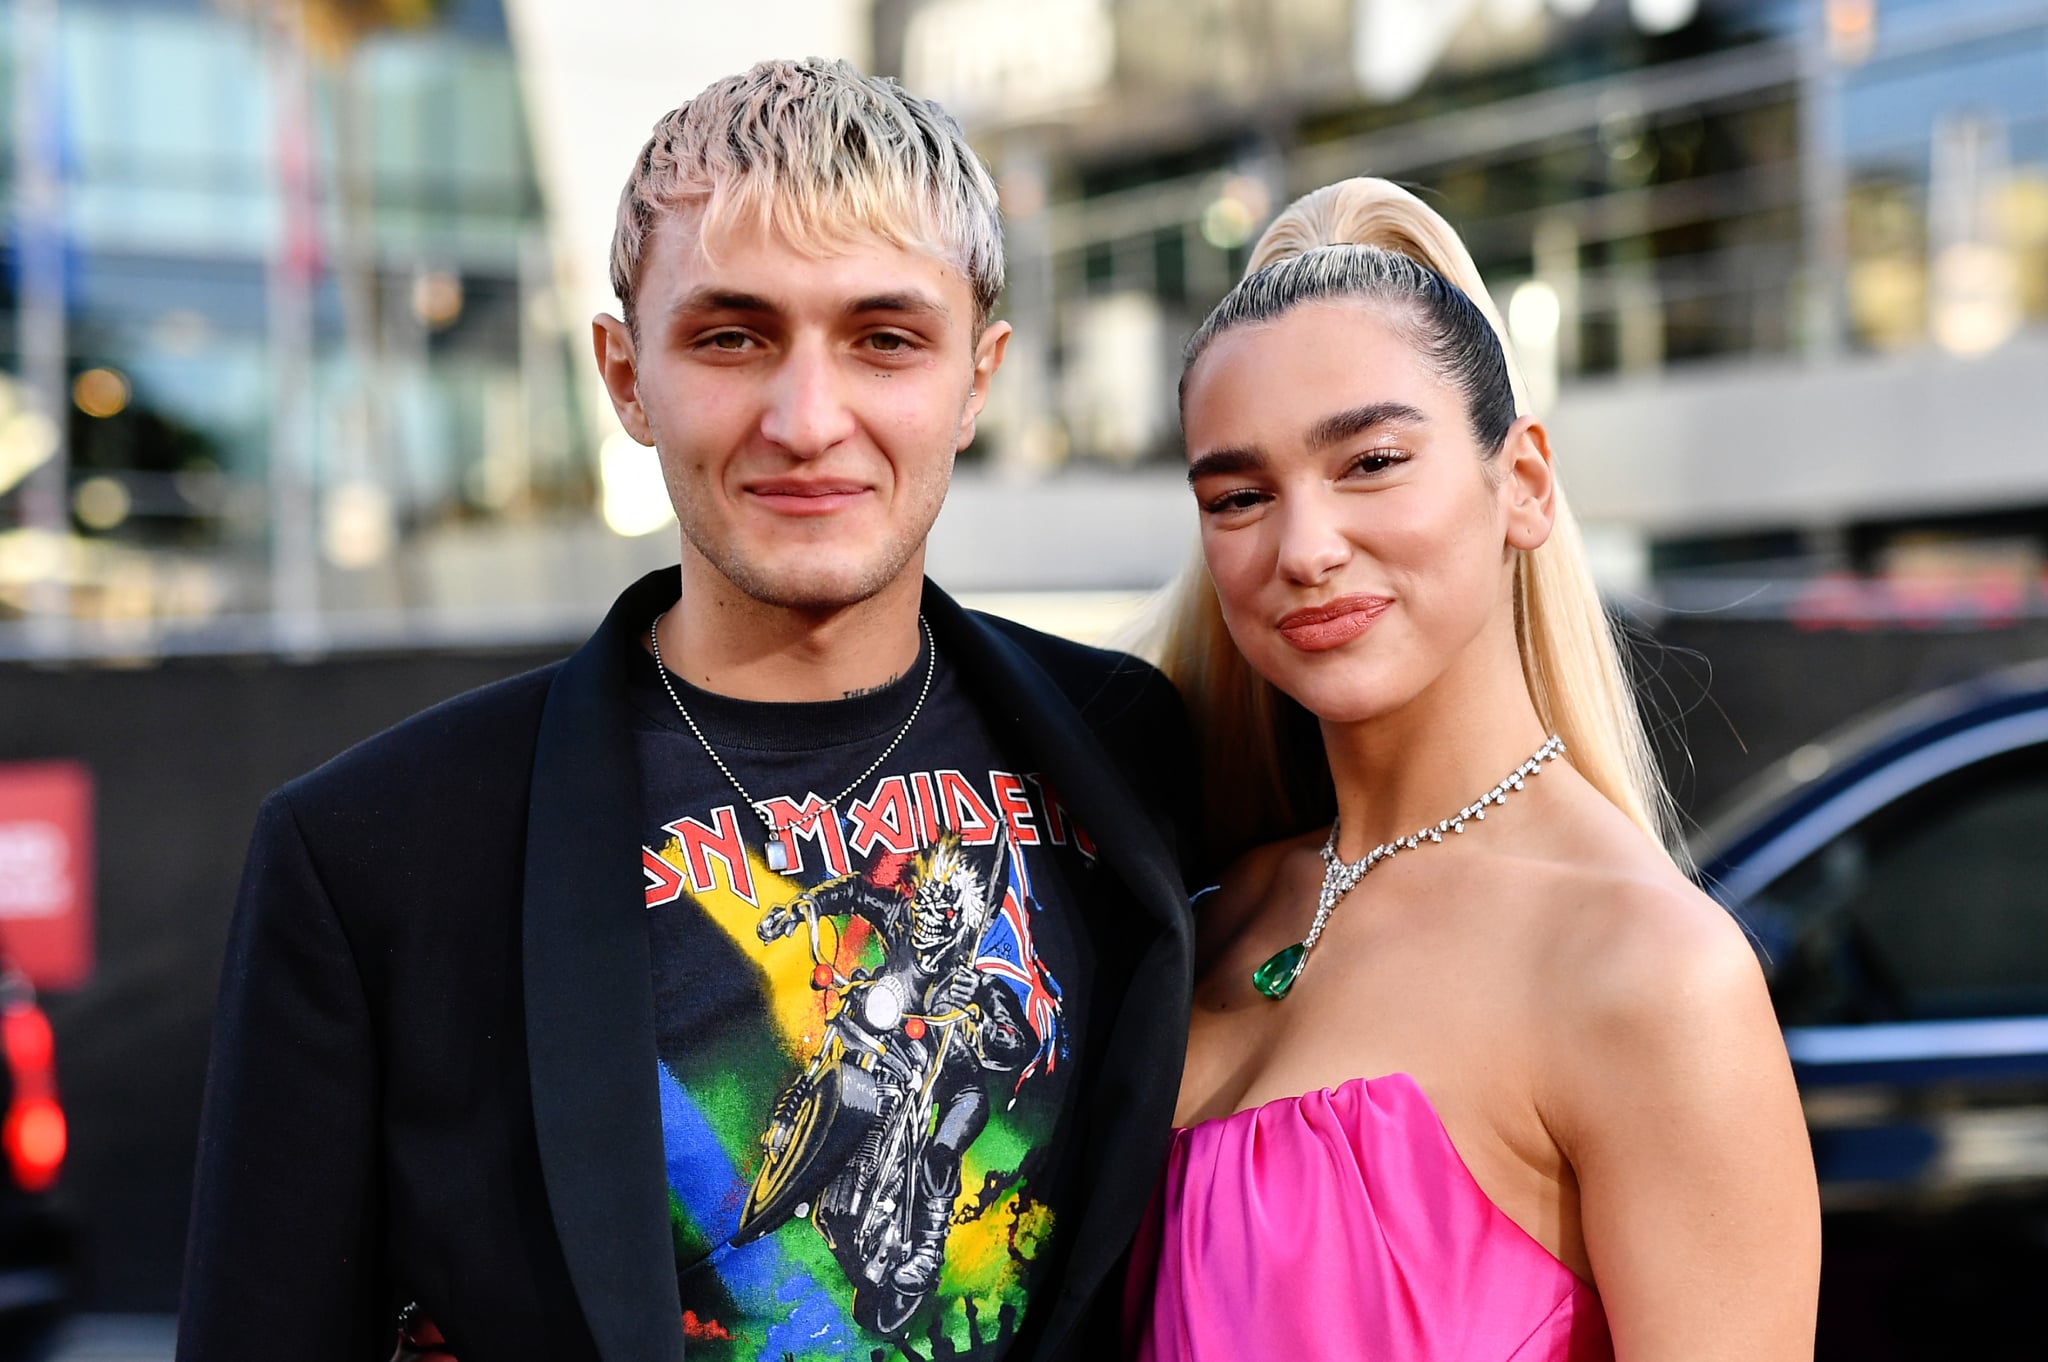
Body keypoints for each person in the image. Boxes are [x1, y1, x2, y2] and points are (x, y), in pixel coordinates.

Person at [178, 60, 1199, 1362]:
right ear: (624, 373)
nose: (807, 418)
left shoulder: (1132, 748)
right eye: (732, 336)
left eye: (886, 338)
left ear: (978, 376)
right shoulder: (378, 852)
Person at [1127, 178, 1820, 1360]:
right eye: (1239, 495)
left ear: (1524, 485)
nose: (1303, 548)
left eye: (1371, 461)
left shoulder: (1650, 974)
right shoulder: (1205, 911)